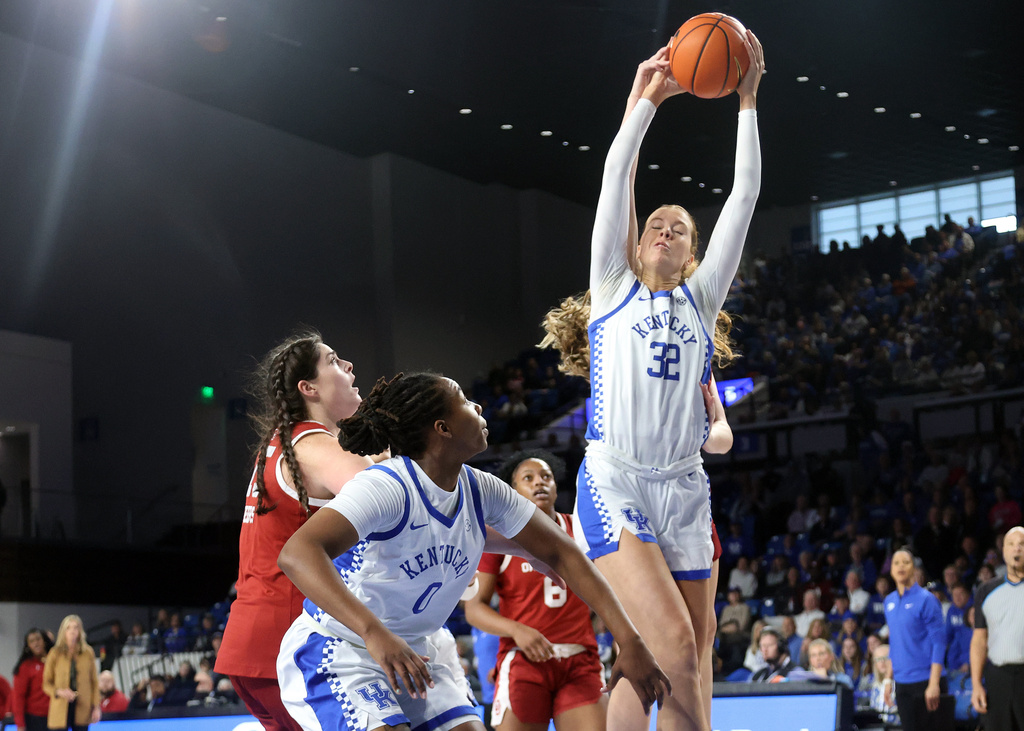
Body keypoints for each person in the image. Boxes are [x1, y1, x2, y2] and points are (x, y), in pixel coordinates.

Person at [540, 35, 763, 730]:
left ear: (695, 254)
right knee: (669, 644)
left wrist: (748, 97)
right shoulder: (612, 288)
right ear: (637, 245)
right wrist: (644, 103)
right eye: (657, 224)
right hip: (616, 481)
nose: (666, 228)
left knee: (685, 664)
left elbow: (747, 192)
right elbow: (615, 179)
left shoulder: (701, 300)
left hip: (684, 486)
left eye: (680, 227)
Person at [275, 372, 669, 731]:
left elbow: (562, 550)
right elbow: (298, 553)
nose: (478, 407)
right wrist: (374, 631)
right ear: (442, 428)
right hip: (343, 647)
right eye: (464, 400)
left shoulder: (481, 489)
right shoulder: (386, 487)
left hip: (416, 652)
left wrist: (630, 640)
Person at [215, 331, 378, 731]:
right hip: (287, 643)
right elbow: (395, 500)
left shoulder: (284, 444)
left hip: (255, 642)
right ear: (309, 388)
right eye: (334, 361)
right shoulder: (315, 447)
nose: (349, 366)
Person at [464, 449, 606, 731]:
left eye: (546, 477)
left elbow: (607, 593)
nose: (539, 482)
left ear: (556, 486)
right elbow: (474, 608)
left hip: (580, 661)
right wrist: (517, 630)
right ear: (513, 490)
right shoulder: (500, 540)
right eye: (528, 478)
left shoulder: (581, 530)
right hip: (525, 660)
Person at [883, 547, 948, 731]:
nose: (901, 566)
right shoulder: (889, 601)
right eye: (896, 563)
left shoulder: (927, 600)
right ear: (891, 569)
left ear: (914, 568)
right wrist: (888, 679)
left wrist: (934, 684)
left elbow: (939, 642)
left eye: (906, 562)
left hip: (927, 681)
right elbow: (894, 643)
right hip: (902, 684)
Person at [970, 525, 1024, 730]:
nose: (1016, 548)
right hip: (998, 678)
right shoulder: (986, 591)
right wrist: (976, 685)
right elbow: (979, 640)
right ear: (1004, 551)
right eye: (1011, 544)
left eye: (1022, 544)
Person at [42, 615, 100, 730]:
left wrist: (96, 707)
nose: (72, 631)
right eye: (68, 628)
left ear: (80, 631)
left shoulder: (88, 652)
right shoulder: (55, 653)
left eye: (75, 628)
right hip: (60, 706)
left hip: (83, 705)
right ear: (63, 631)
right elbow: (46, 683)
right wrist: (58, 692)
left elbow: (94, 682)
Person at [13, 628, 53, 731]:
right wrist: (20, 724)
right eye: (31, 641)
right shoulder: (25, 667)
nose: (36, 643)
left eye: (38, 639)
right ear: (28, 646)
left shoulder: (54, 662)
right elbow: (18, 697)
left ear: (44, 641)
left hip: (55, 716)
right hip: (34, 719)